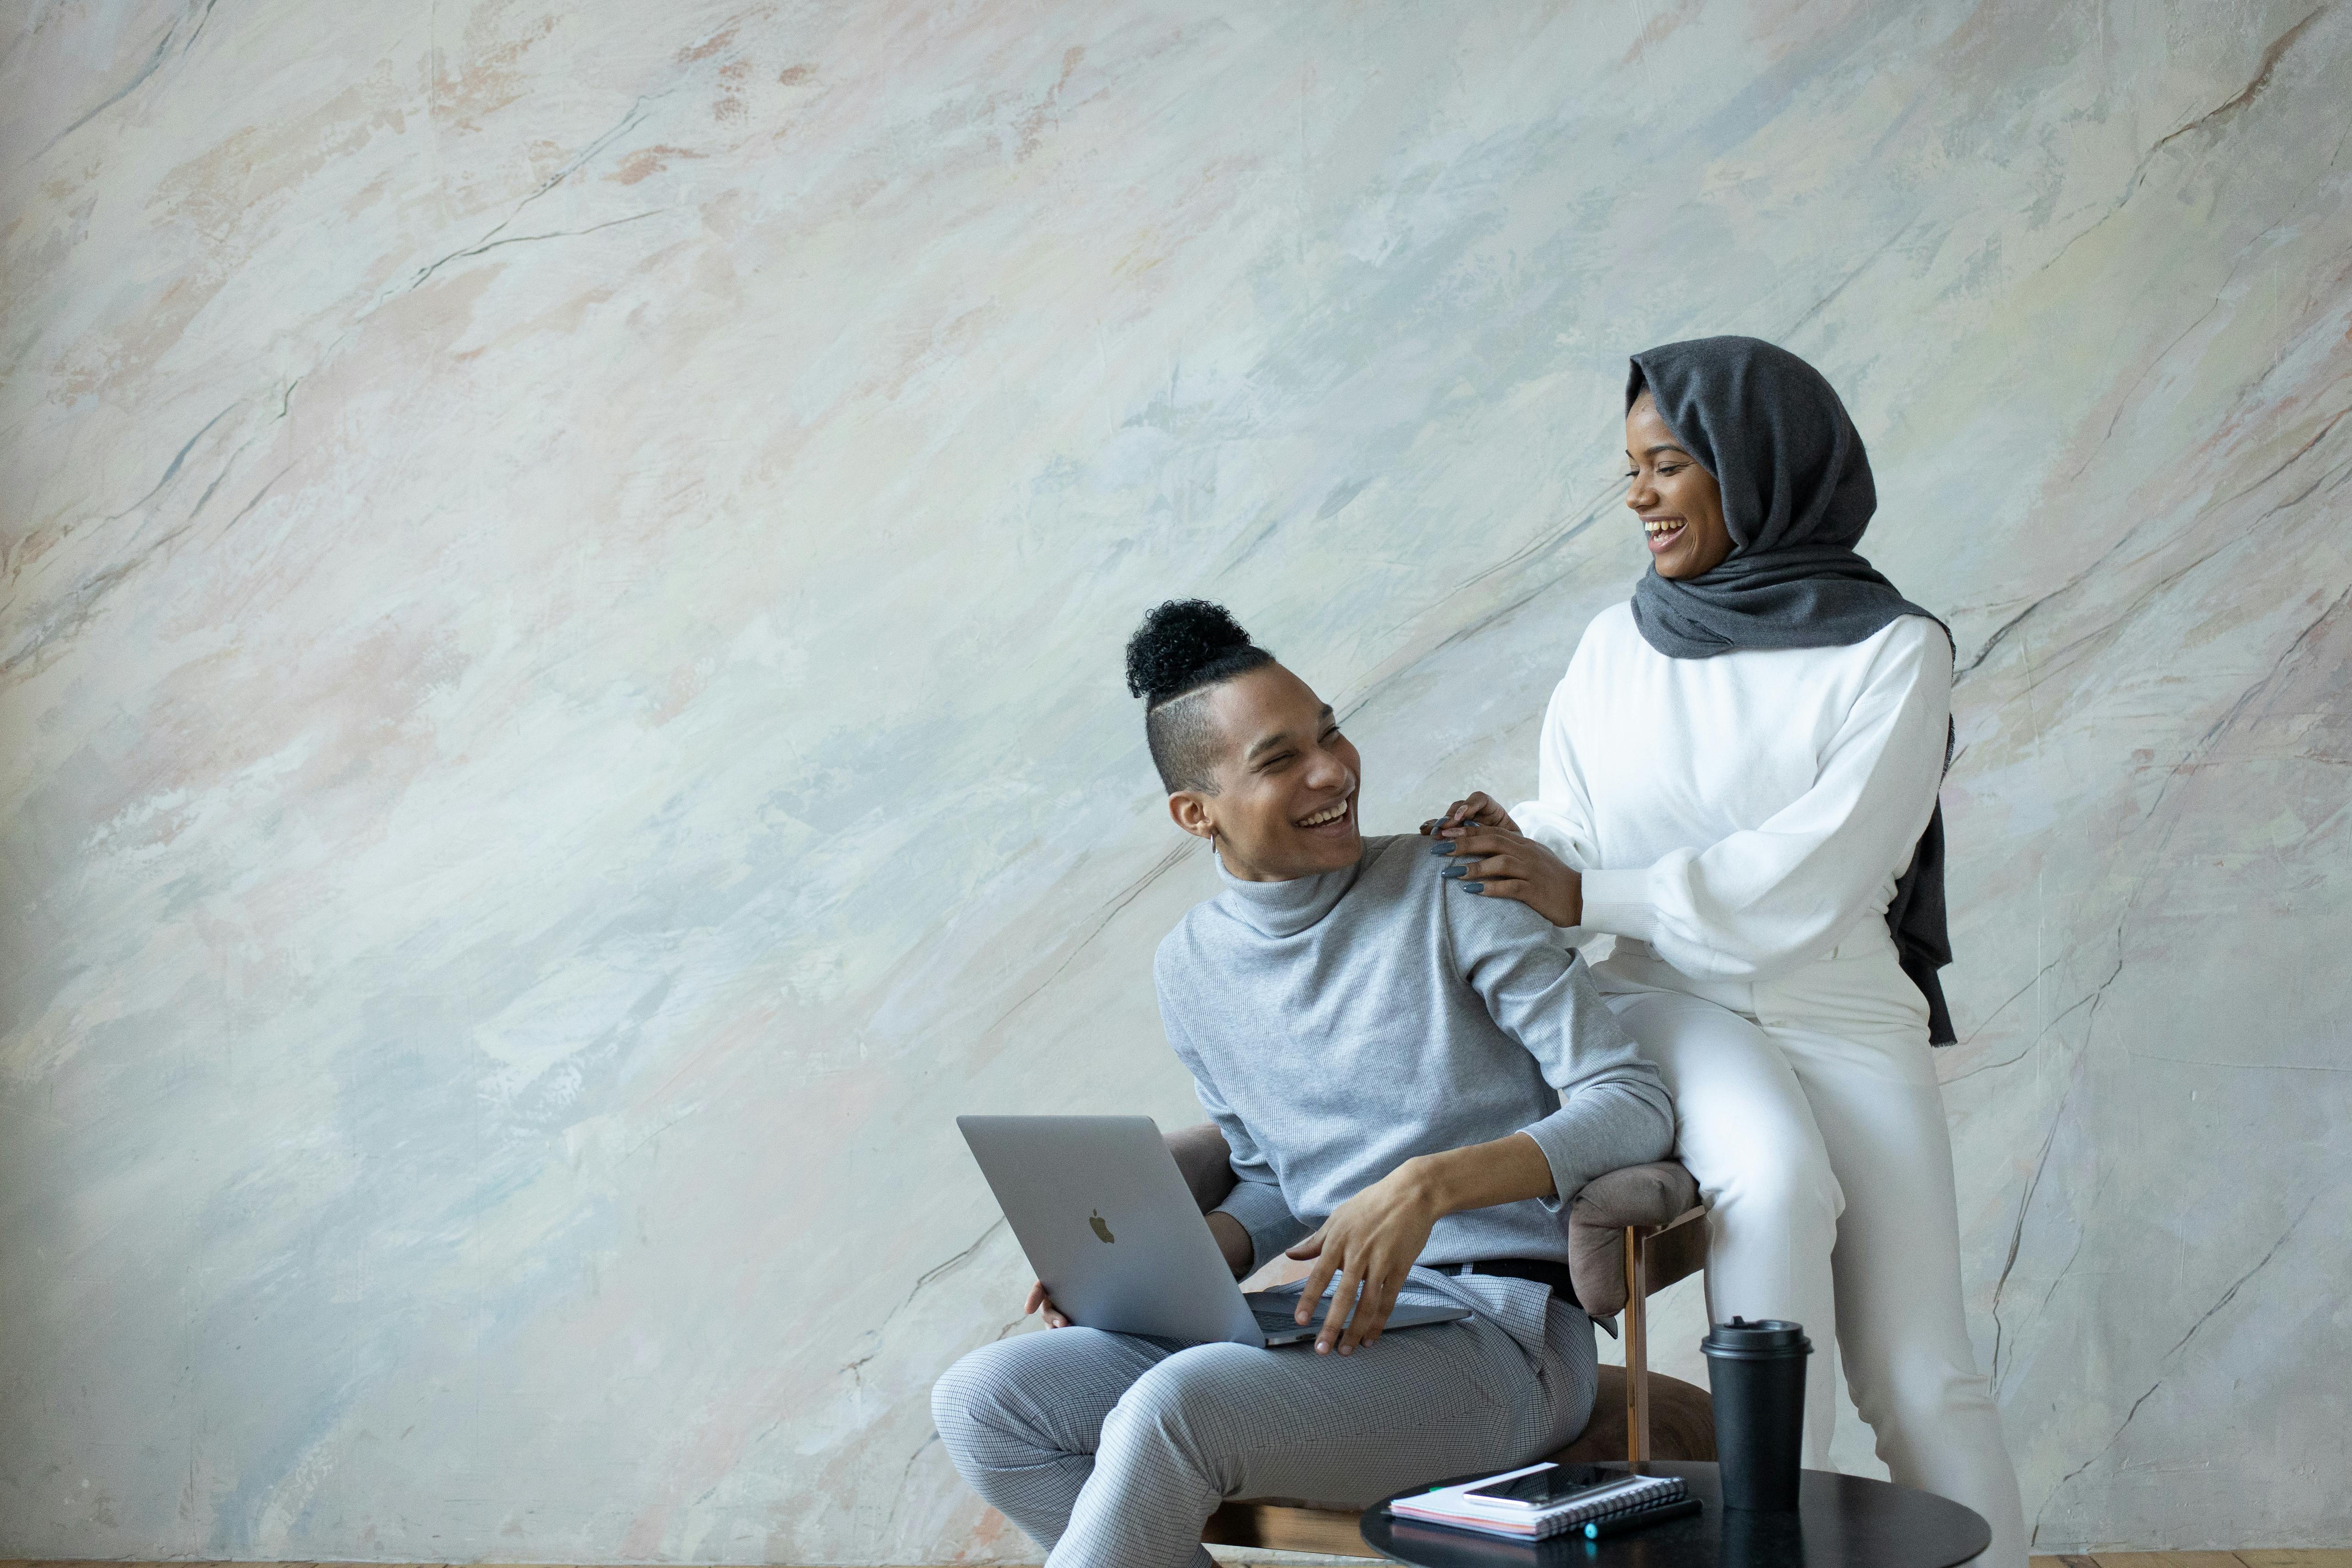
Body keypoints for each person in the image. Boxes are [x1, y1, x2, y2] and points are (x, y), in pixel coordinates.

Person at [1426, 335, 2027, 1567]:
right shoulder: (1615, 645)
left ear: (1760, 466)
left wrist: (1580, 880)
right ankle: (1771, 1543)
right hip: (1658, 1002)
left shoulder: (1893, 649)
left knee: (1923, 1376)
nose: (1636, 495)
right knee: (1774, 1185)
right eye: (1630, 469)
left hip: (1845, 1014)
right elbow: (1578, 830)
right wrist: (1505, 844)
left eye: (1666, 464)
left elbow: (1812, 879)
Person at [932, 600, 1674, 1568]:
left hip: (1504, 1340)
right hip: (1322, 1325)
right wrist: (1184, 1256)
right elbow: (1278, 1173)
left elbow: (1632, 1102)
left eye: (1330, 733)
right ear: (1196, 813)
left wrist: (1428, 1187)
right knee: (984, 1401)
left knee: (1176, 1408)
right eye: (1281, 760)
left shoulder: (1452, 888)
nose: (1333, 772)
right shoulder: (1190, 967)